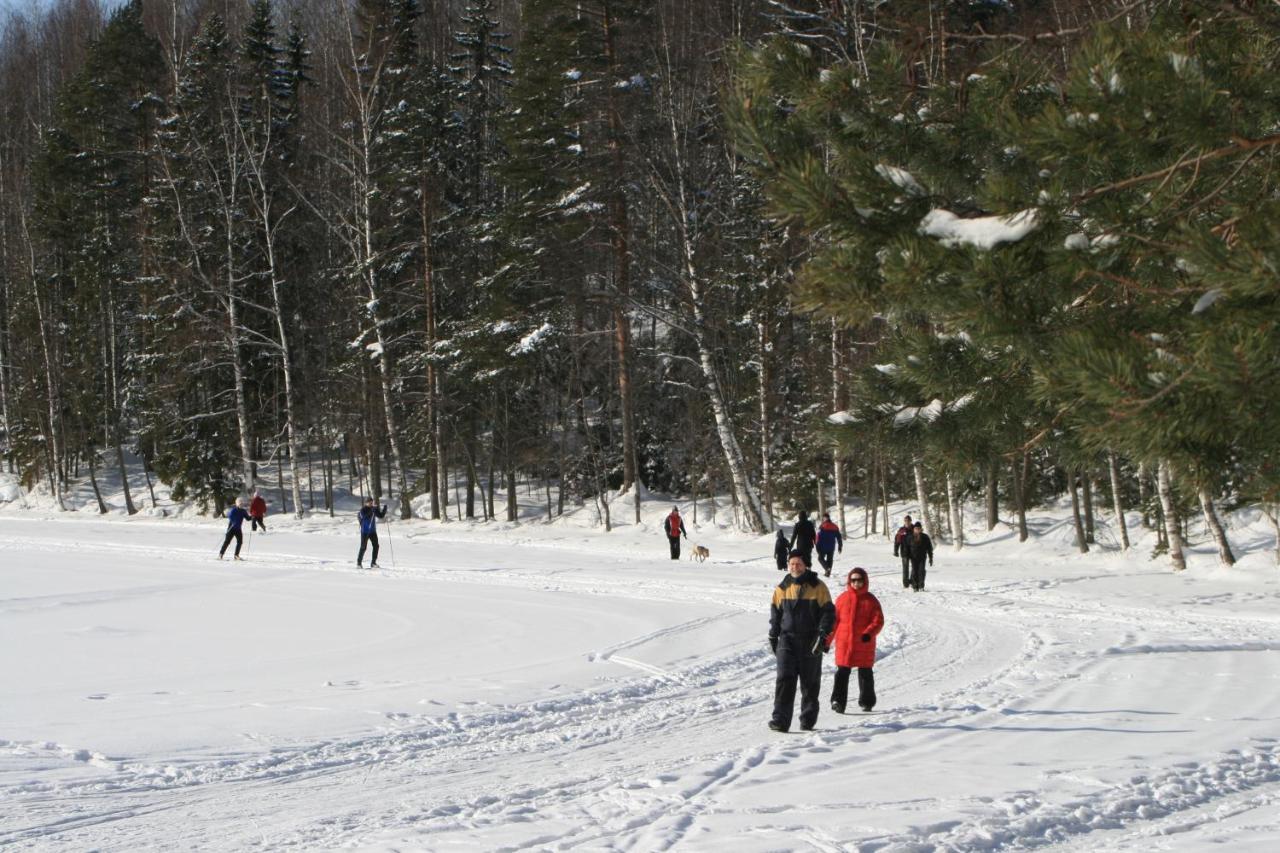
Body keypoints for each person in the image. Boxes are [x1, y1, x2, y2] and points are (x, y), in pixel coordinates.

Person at [768, 550, 835, 733]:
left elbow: (829, 614)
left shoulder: (819, 587)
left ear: (805, 565)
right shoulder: (782, 588)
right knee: (784, 680)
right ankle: (780, 720)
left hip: (810, 640)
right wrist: (773, 635)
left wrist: (823, 635)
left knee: (810, 682)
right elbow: (775, 615)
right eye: (791, 564)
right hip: (787, 640)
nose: (794, 567)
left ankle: (807, 719)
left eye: (798, 564)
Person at [827, 567, 884, 713]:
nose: (856, 583)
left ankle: (867, 701)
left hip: (864, 643)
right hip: (844, 643)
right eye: (853, 580)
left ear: (864, 581)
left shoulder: (871, 600)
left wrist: (868, 634)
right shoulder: (842, 599)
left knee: (865, 673)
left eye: (859, 580)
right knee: (842, 672)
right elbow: (833, 622)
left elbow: (878, 621)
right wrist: (826, 642)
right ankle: (838, 701)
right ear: (849, 581)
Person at [357, 497, 388, 568]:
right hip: (365, 531)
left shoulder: (373, 509)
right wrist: (372, 511)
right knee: (363, 547)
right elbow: (365, 517)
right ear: (366, 503)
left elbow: (381, 516)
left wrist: (385, 509)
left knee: (376, 546)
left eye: (371, 502)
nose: (371, 503)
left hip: (372, 531)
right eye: (369, 502)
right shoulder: (363, 510)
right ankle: (359, 563)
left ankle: (373, 563)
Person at [907, 521, 934, 591]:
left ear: (921, 529)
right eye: (916, 528)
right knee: (914, 571)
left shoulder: (925, 537)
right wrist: (906, 556)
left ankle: (921, 586)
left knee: (921, 571)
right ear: (914, 529)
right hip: (913, 558)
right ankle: (915, 586)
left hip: (922, 558)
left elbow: (929, 548)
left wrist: (931, 558)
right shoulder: (910, 537)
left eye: (919, 528)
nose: (917, 530)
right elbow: (906, 548)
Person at [815, 512, 843, 577]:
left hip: (823, 546)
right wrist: (840, 546)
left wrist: (817, 546)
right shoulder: (835, 526)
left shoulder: (822, 526)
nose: (823, 519)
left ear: (825, 518)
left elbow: (817, 537)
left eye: (823, 518)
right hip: (831, 546)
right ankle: (828, 572)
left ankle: (827, 569)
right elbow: (839, 537)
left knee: (820, 558)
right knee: (829, 559)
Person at [892, 514, 913, 589]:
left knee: (915, 567)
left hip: (914, 552)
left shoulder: (914, 529)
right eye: (906, 521)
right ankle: (905, 583)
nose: (907, 522)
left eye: (908, 521)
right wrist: (895, 551)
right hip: (904, 552)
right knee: (905, 568)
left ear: (911, 521)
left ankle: (912, 581)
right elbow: (897, 541)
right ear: (904, 522)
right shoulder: (901, 530)